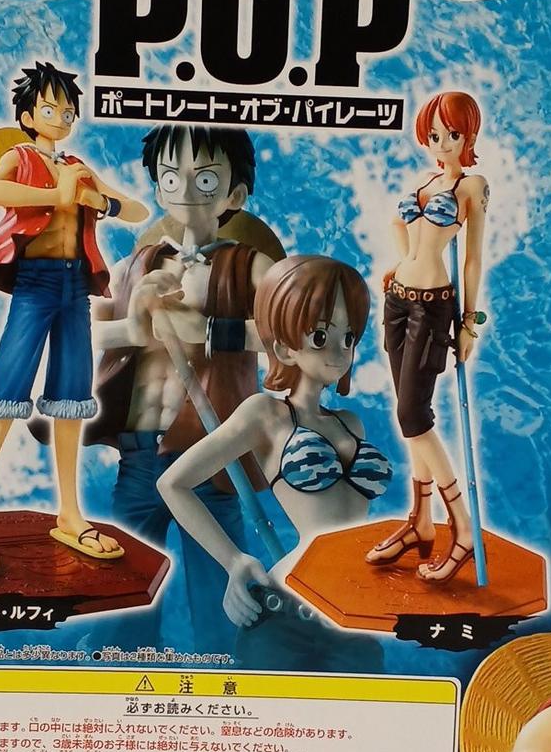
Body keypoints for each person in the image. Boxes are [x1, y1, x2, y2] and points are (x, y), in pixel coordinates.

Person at [0, 61, 148, 575]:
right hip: (35, 286)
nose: (61, 117)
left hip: (75, 288)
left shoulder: (77, 165)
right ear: (27, 116)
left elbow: (137, 211)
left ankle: (70, 514)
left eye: (68, 111)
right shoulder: (19, 157)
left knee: (71, 398)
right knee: (4, 392)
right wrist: (54, 196)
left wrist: (97, 200)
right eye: (49, 108)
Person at [85, 124, 276, 653]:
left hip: (210, 459)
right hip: (140, 456)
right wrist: (135, 324)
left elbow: (290, 337)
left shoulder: (249, 266)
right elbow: (82, 330)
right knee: (121, 594)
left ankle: (228, 681)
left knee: (225, 603)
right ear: (157, 186)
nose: (187, 189)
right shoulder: (137, 266)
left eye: (206, 178)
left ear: (234, 194)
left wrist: (208, 330)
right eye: (172, 177)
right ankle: (116, 680)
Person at [158, 255, 392, 632]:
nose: (338, 353)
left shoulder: (350, 424)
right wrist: (233, 561)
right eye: (320, 337)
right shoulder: (265, 414)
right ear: (283, 348)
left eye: (348, 337)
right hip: (290, 602)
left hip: (353, 605)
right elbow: (172, 484)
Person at [367, 90, 488, 583]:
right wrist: (401, 261)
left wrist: (469, 321)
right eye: (434, 134)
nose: (441, 143)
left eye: (451, 134)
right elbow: (398, 222)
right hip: (397, 300)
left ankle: (462, 527)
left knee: (413, 415)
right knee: (409, 410)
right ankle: (420, 522)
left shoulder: (471, 186)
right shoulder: (427, 181)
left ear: (468, 134)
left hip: (433, 308)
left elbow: (473, 258)